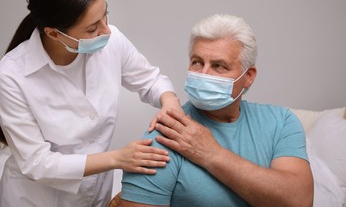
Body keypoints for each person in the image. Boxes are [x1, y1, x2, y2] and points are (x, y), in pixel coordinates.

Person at [0, 0, 183, 207]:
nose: (106, 31)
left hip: (95, 196)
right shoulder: (10, 75)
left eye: (105, 14)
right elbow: (37, 163)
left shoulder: (112, 40)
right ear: (54, 34)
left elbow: (151, 80)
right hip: (36, 199)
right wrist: (118, 158)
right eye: (92, 28)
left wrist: (169, 101)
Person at [121, 14, 314, 207]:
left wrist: (212, 154)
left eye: (218, 66)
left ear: (248, 76)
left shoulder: (281, 122)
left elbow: (299, 201)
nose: (204, 74)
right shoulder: (167, 135)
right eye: (197, 62)